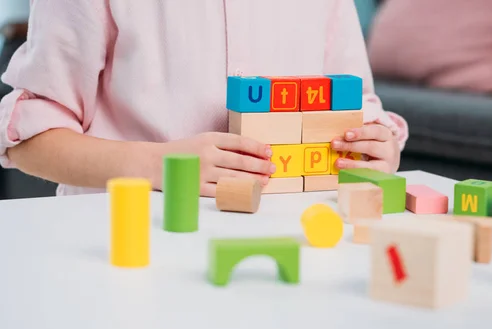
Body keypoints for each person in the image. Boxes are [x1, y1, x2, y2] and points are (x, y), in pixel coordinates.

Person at [0, 0, 408, 197]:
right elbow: (30, 139)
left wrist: (373, 148)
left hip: (289, 235)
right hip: (129, 235)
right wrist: (156, 165)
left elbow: (357, 108)